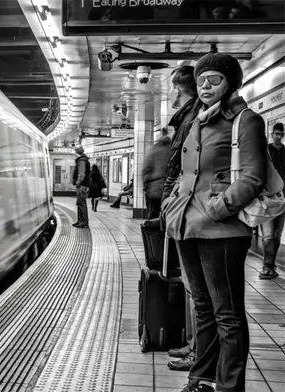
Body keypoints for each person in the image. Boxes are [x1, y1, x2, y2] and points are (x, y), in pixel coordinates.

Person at [162, 53, 267, 392]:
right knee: (203, 307)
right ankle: (200, 380)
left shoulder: (245, 120)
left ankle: (229, 386)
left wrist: (218, 208)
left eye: (214, 80)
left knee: (228, 314)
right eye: (201, 80)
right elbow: (182, 172)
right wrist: (170, 205)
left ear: (231, 83)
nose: (205, 86)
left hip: (222, 230)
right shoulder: (197, 121)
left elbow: (253, 177)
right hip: (187, 225)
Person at [162, 65, 203, 372]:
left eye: (173, 88)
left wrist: (173, 204)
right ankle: (195, 347)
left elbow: (186, 171)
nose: (171, 93)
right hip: (185, 210)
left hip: (193, 212)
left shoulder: (193, 119)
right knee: (195, 291)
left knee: (199, 293)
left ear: (180, 89)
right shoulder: (188, 118)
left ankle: (199, 356)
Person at [259, 122, 285, 279]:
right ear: (272, 133)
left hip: (283, 199)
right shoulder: (266, 151)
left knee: (276, 234)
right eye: (276, 134)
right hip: (268, 198)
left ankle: (270, 264)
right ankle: (267, 266)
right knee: (268, 234)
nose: (278, 137)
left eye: (281, 134)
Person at [142, 128, 171, 219]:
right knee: (168, 213)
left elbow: (146, 169)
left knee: (153, 213)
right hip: (171, 187)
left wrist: (145, 185)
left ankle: (151, 231)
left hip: (154, 188)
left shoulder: (153, 150)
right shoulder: (173, 149)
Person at [72, 146, 90, 228]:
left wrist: (77, 182)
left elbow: (81, 174)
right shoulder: (82, 160)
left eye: (74, 152)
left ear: (77, 152)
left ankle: (84, 222)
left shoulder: (82, 161)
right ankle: (80, 221)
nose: (74, 154)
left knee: (82, 204)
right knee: (80, 203)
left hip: (82, 185)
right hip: (82, 185)